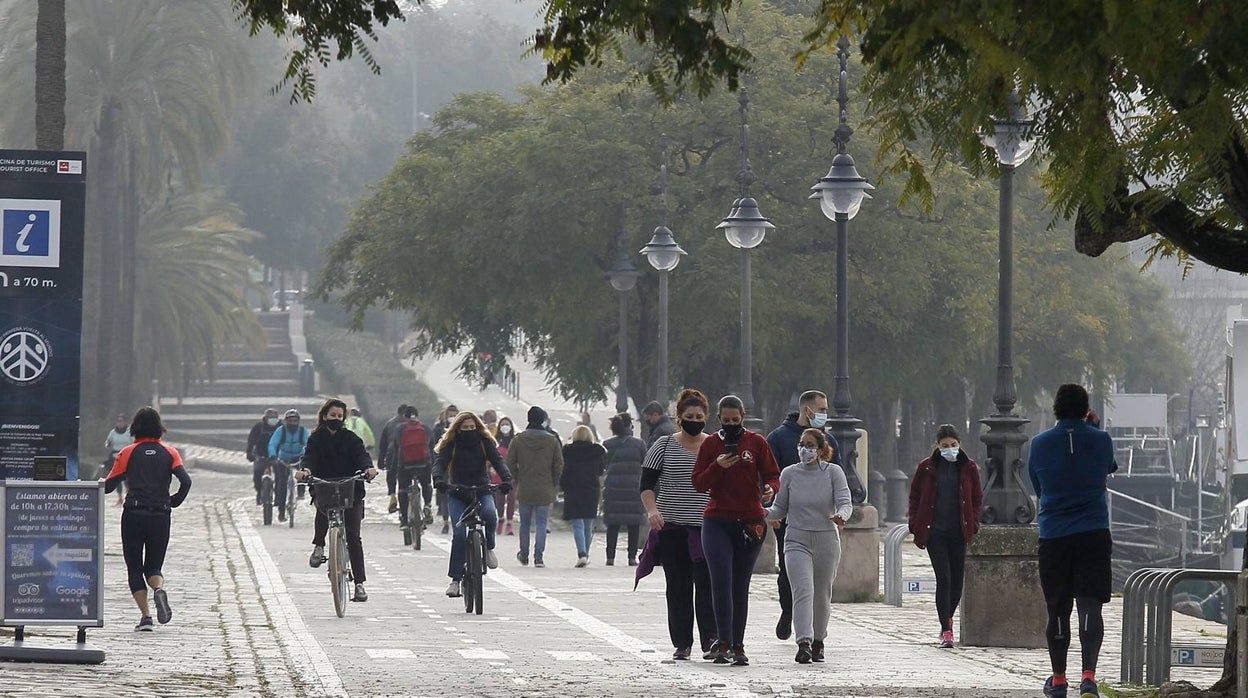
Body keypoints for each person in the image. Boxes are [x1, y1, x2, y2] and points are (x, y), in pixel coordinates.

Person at [1029, 384, 1116, 698]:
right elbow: (1108, 468)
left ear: (1055, 409)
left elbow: (1038, 485)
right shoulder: (1101, 440)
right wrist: (1092, 428)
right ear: (1086, 408)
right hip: (1093, 531)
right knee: (1090, 604)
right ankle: (1089, 677)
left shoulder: (1039, 445)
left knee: (1058, 608)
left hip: (1054, 535)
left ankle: (1059, 679)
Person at [692, 394, 781, 667]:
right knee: (720, 580)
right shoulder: (710, 444)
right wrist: (716, 466)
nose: (731, 424)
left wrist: (770, 489)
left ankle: (739, 645)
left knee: (740, 585)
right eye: (726, 420)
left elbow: (772, 475)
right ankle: (723, 642)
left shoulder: (756, 443)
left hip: (750, 520)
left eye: (736, 420)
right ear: (719, 419)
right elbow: (698, 483)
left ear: (743, 417)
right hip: (717, 519)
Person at [639, 388, 716, 661]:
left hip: (708, 528)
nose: (695, 419)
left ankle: (711, 640)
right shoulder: (664, 445)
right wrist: (652, 510)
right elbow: (647, 485)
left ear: (706, 417)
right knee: (678, 586)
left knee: (708, 586)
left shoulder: (714, 445)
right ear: (679, 417)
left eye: (699, 415)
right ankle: (682, 643)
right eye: (689, 415)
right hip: (672, 527)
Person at [765, 428, 852, 663]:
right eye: (802, 444)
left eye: (810, 445)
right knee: (803, 590)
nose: (805, 449)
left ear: (822, 449)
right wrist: (762, 512)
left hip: (826, 539)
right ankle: (803, 641)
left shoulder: (833, 472)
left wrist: (841, 515)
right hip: (796, 539)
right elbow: (779, 508)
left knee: (821, 594)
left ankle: (818, 641)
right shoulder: (789, 474)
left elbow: (845, 502)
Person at [103, 407, 192, 631]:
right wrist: (174, 501)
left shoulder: (127, 452)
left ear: (135, 428)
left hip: (133, 513)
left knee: (134, 567)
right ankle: (158, 589)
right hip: (160, 515)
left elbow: (108, 486)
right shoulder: (170, 453)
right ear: (159, 428)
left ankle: (146, 617)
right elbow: (186, 481)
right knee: (153, 566)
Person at [764, 390, 840, 641]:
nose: (824, 414)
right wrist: (767, 504)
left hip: (822, 526)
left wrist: (841, 511)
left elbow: (837, 479)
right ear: (807, 410)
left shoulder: (829, 441)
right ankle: (791, 616)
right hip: (790, 521)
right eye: (821, 409)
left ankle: (816, 635)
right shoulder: (778, 438)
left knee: (818, 587)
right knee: (792, 577)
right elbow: (769, 474)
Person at [294, 398, 379, 602]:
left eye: (340, 416)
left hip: (351, 488)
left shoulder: (351, 438)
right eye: (332, 415)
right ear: (324, 416)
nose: (336, 419)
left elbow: (362, 455)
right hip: (324, 484)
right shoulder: (316, 439)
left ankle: (359, 584)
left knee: (354, 537)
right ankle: (319, 546)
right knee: (323, 509)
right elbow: (309, 457)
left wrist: (368, 469)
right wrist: (305, 471)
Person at [908, 424, 983, 648]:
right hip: (935, 531)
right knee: (944, 578)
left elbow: (977, 498)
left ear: (959, 445)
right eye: (944, 446)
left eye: (953, 445)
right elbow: (915, 495)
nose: (949, 449)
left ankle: (948, 616)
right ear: (937, 446)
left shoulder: (969, 468)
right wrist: (915, 522)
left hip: (959, 531)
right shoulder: (927, 467)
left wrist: (974, 521)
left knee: (957, 581)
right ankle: (946, 629)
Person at [433, 411, 512, 597]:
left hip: (481, 490)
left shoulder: (484, 442)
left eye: (472, 427)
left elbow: (498, 461)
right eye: (465, 428)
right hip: (458, 493)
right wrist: (438, 479)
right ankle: (455, 580)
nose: (469, 430)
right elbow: (439, 464)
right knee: (459, 534)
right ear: (457, 428)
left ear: (477, 426)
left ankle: (489, 547)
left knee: (490, 515)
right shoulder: (451, 444)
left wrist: (507, 479)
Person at [505, 406, 564, 568]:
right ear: (543, 420)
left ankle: (524, 554)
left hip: (525, 486)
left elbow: (509, 462)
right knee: (541, 523)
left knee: (524, 523)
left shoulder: (518, 440)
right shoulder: (551, 440)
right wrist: (553, 480)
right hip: (545, 487)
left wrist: (517, 477)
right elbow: (559, 464)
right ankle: (539, 557)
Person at [601, 413, 647, 566]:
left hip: (613, 487)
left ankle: (610, 557)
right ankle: (631, 557)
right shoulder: (639, 444)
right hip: (633, 488)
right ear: (630, 425)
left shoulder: (607, 444)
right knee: (633, 524)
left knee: (613, 524)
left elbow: (603, 466)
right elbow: (645, 463)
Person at [561, 425, 606, 567]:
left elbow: (563, 470)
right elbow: (600, 471)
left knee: (577, 523)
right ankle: (585, 553)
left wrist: (563, 485)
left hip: (573, 488)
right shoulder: (597, 451)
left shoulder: (567, 451)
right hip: (591, 489)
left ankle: (582, 553)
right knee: (588, 523)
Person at [392, 406, 434, 526]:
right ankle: (427, 505)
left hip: (405, 465)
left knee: (403, 489)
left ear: (405, 417)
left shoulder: (400, 428)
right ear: (417, 415)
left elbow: (396, 447)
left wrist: (393, 466)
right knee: (426, 484)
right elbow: (431, 446)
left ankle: (404, 520)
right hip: (424, 464)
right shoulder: (425, 428)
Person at [267, 409, 309, 522]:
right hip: (283, 459)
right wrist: (273, 455)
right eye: (290, 421)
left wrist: (308, 455)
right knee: (282, 483)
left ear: (298, 421)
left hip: (298, 457)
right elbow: (273, 443)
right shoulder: (281, 431)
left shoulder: (302, 431)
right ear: (286, 421)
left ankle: (301, 491)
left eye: (295, 421)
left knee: (303, 472)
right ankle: (281, 510)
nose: (292, 423)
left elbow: (309, 444)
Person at [431, 404, 459, 533]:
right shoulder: (438, 428)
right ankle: (446, 521)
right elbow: (433, 446)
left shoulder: (461, 429)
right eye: (450, 416)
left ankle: (455, 519)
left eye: (454, 416)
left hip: (457, 465)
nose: (452, 418)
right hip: (443, 464)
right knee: (444, 494)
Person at [376, 404, 408, 514]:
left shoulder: (389, 423)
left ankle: (393, 496)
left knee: (391, 474)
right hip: (410, 456)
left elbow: (383, 444)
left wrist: (381, 461)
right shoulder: (413, 424)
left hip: (392, 453)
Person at [245, 408, 280, 506]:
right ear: (265, 417)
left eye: (274, 417)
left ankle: (278, 496)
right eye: (270, 417)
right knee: (257, 474)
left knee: (280, 475)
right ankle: (260, 492)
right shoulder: (258, 427)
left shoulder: (281, 428)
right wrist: (249, 452)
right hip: (260, 454)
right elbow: (251, 441)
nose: (272, 419)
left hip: (276, 456)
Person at [492, 416, 518, 536]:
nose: (505, 427)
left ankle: (509, 523)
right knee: (500, 499)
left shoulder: (515, 440)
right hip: (498, 473)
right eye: (503, 424)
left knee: (512, 498)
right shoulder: (495, 440)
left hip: (513, 473)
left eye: (507, 424)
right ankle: (500, 518)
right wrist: (490, 467)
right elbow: (490, 455)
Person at [105, 412, 135, 506]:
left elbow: (134, 443)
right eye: (118, 421)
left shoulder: (129, 432)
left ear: (125, 422)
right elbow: (107, 443)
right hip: (115, 457)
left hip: (127, 456)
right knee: (117, 478)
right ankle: (119, 498)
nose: (120, 423)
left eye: (121, 421)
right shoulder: (112, 433)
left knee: (127, 478)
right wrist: (108, 446)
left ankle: (128, 496)